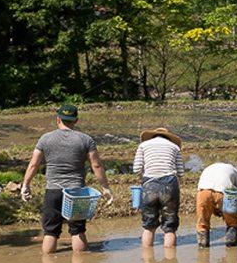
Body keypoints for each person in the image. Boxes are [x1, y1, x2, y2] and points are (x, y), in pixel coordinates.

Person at [19, 103, 111, 254]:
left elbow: (33, 165)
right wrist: (105, 188)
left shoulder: (45, 138)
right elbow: (96, 166)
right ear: (76, 120)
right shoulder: (86, 140)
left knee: (50, 231)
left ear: (58, 119)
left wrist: (25, 185)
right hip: (76, 192)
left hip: (53, 191)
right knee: (77, 230)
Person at [132, 125, 184, 249]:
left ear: (152, 136)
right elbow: (181, 172)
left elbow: (136, 169)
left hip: (149, 184)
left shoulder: (143, 145)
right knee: (170, 227)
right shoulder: (175, 147)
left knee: (148, 226)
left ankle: (147, 258)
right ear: (168, 137)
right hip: (169, 184)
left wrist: (145, 176)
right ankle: (170, 258)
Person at [195, 160, 237, 249]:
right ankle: (231, 249)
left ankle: (203, 248)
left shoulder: (208, 168)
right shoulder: (234, 170)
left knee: (202, 223)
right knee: (232, 222)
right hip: (223, 192)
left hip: (203, 192)